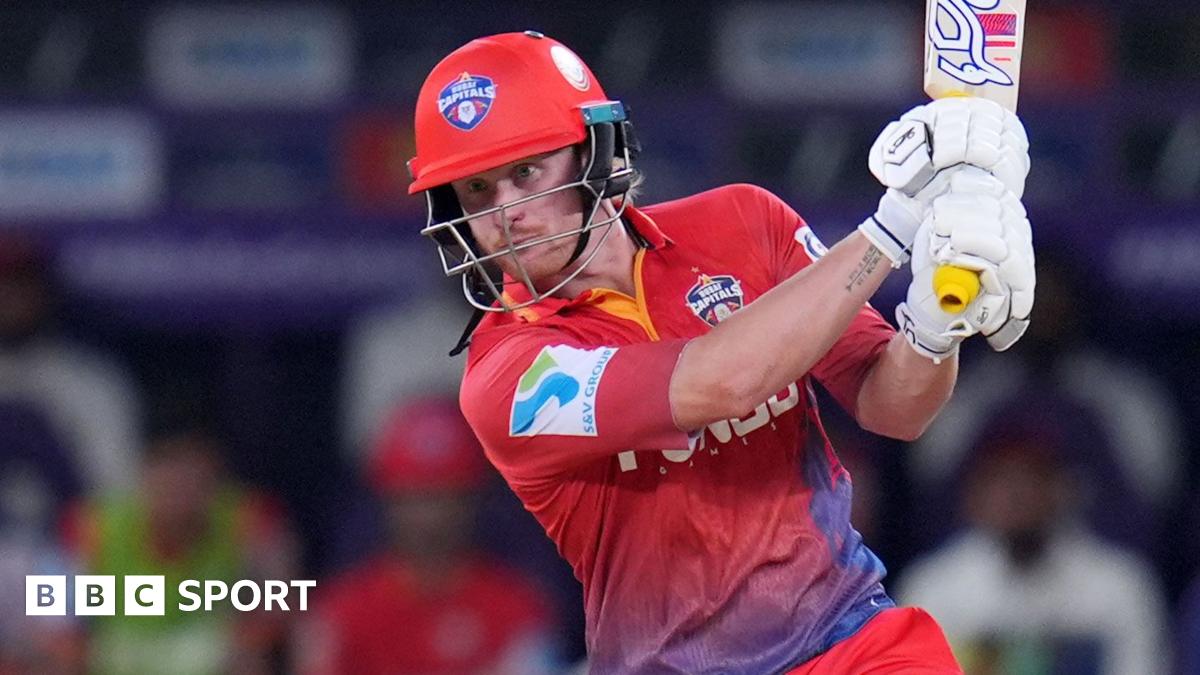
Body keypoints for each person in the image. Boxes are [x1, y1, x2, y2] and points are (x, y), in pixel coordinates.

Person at [406, 31, 1035, 673]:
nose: (507, 213)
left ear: (595, 152)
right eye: (477, 189)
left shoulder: (744, 222)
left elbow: (894, 408)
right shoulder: (507, 375)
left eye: (526, 173)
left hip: (850, 640)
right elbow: (719, 383)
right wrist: (898, 221)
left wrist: (932, 331)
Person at [897, 393, 1170, 675]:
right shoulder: (935, 588)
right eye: (1001, 479)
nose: (1016, 495)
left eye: (1032, 477)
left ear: (1062, 489)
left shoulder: (1119, 586)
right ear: (975, 494)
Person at [296, 397, 560, 674]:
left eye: (443, 497)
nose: (430, 518)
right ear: (388, 501)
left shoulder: (516, 609)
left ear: (473, 500)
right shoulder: (342, 611)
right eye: (415, 498)